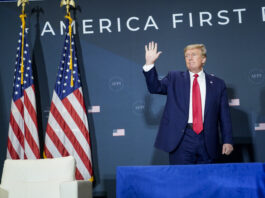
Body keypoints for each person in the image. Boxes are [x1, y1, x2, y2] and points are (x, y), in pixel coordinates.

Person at [143, 41, 233, 164]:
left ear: (203, 59)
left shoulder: (217, 84)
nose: (189, 58)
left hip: (207, 139)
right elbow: (155, 87)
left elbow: (224, 116)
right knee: (181, 179)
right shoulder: (174, 78)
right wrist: (150, 64)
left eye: (193, 55)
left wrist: (227, 140)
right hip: (181, 139)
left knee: (207, 179)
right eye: (187, 56)